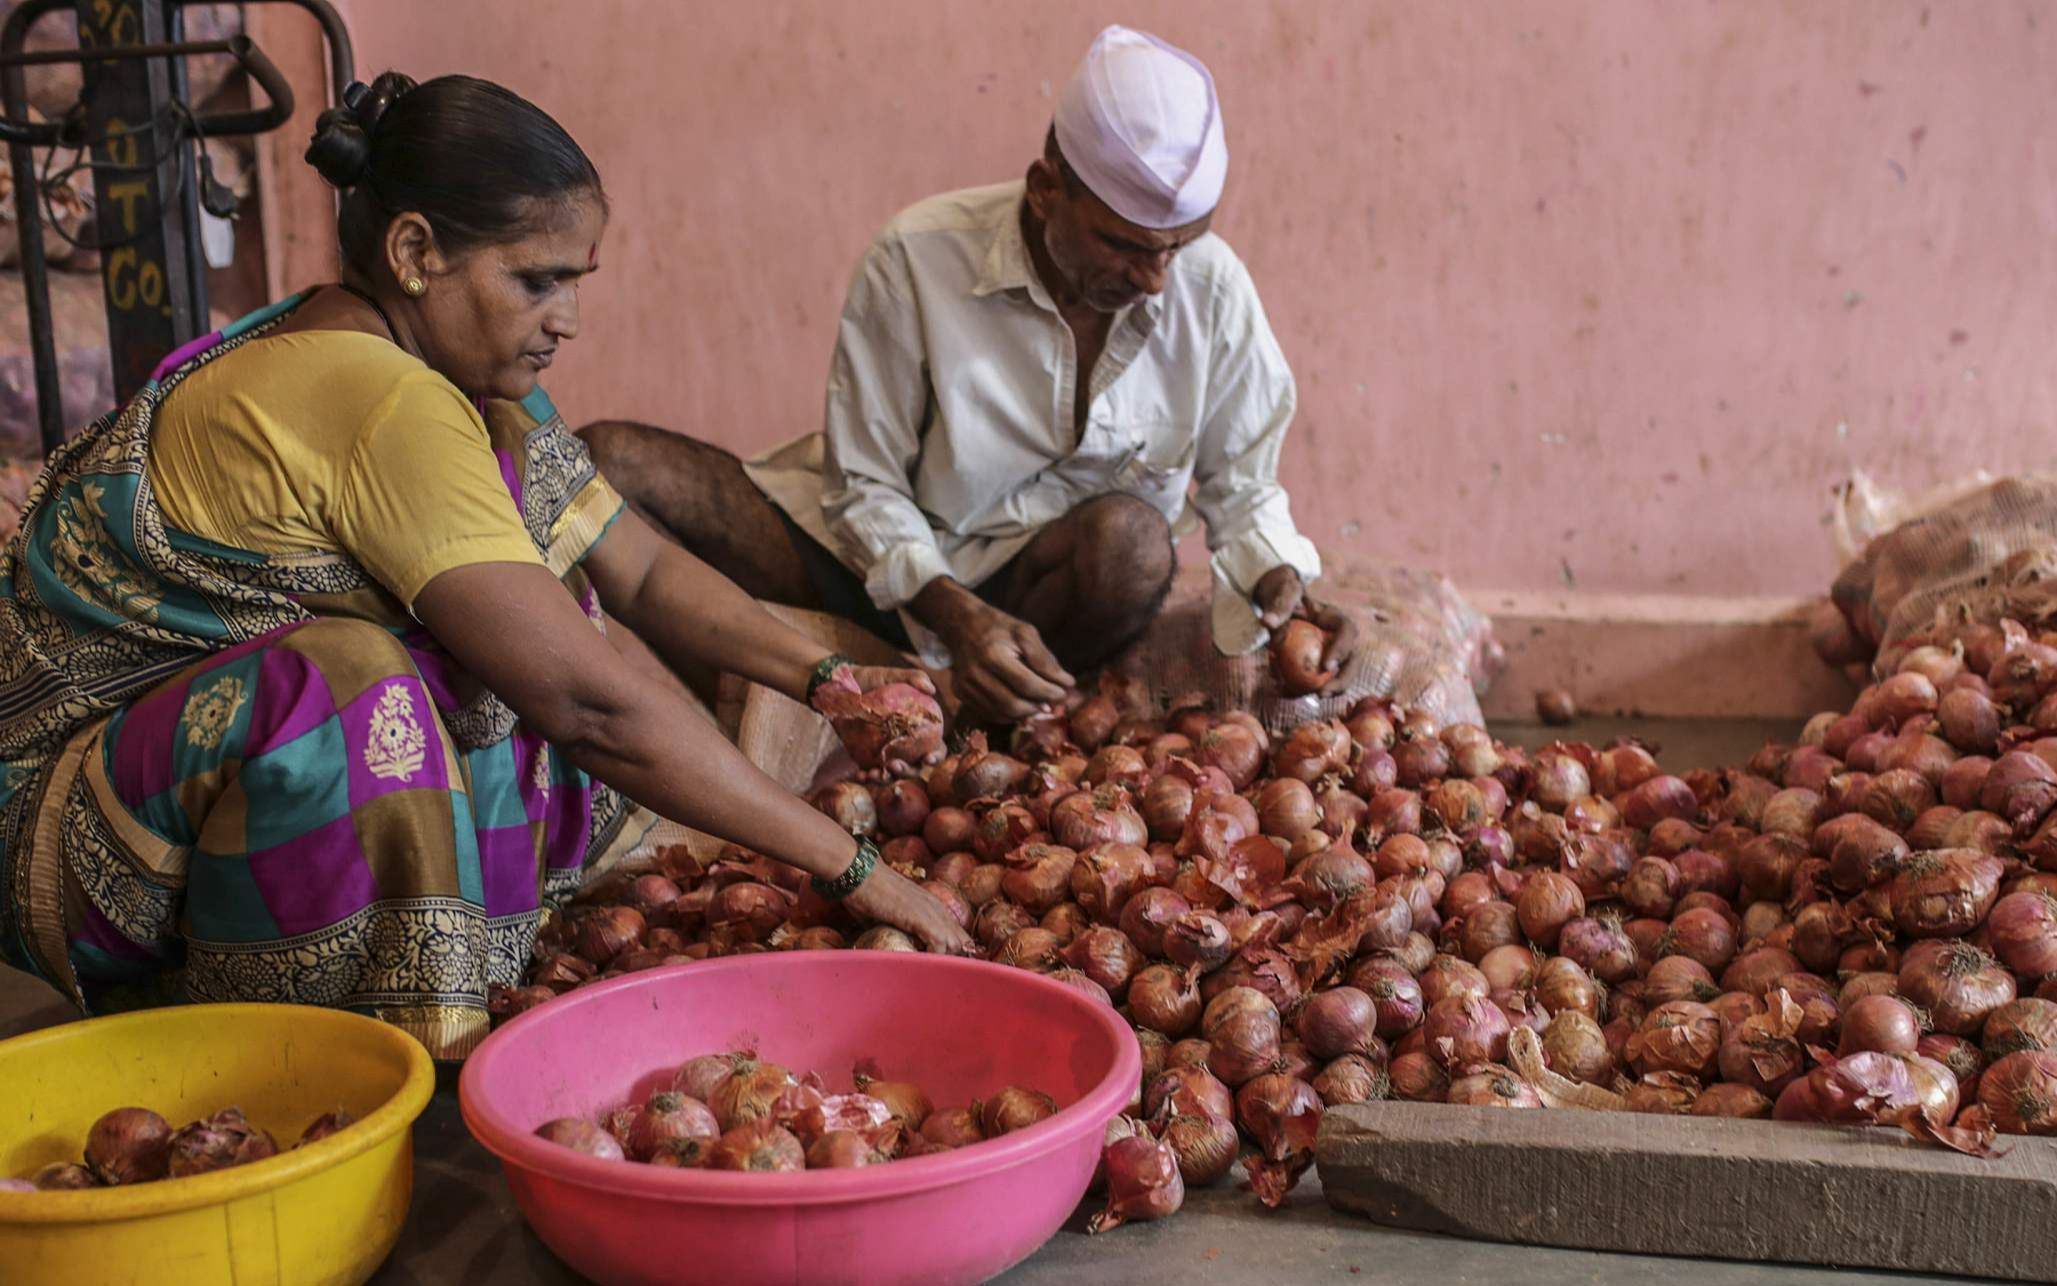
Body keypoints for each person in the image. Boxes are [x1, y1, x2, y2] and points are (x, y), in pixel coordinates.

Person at [0, 72, 972, 1061]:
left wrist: (823, 679)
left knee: (544, 608)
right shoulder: (377, 396)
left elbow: (637, 569)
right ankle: (302, 1037)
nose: (567, 320)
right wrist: (857, 870)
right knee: (361, 685)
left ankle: (463, 960)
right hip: (84, 844)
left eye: (574, 283)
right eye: (537, 280)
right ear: (416, 252)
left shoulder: (449, 375)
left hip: (174, 788)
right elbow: (592, 709)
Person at [579, 24, 1357, 726]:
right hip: (887, 570)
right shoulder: (918, 256)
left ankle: (997, 714)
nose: (1155, 277)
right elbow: (865, 486)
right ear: (1046, 189)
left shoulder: (1210, 286)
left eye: (1176, 248)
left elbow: (1242, 486)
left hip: (1045, 600)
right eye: (1124, 246)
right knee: (604, 463)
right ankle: (747, 715)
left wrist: (1279, 581)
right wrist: (953, 616)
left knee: (1134, 542)